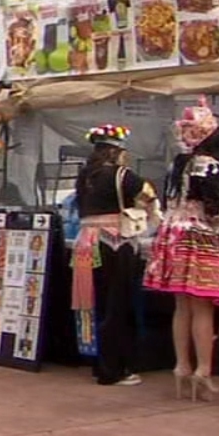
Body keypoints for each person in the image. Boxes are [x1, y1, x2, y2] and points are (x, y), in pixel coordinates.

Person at [145, 101, 219, 401]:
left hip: (171, 235)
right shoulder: (211, 166)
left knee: (181, 306)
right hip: (198, 235)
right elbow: (213, 211)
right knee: (203, 307)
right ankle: (203, 370)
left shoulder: (176, 164)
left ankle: (181, 367)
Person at [70, 124, 154, 387]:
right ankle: (114, 369)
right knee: (117, 306)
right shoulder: (122, 175)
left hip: (86, 242)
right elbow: (149, 198)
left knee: (94, 304)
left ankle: (98, 363)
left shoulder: (85, 176)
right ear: (117, 152)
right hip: (114, 242)